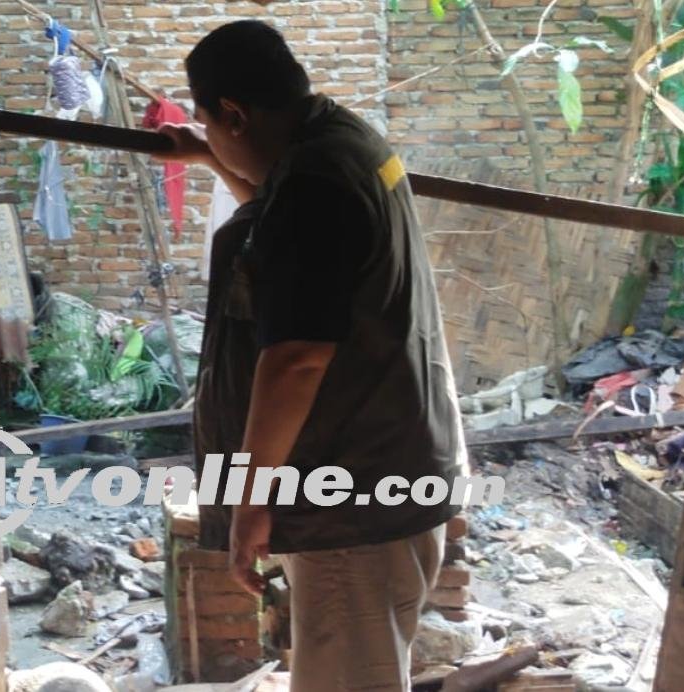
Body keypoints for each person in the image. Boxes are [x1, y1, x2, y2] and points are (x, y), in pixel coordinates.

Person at [157, 21, 471, 691]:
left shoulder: (313, 184)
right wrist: (213, 160)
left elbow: (297, 357)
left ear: (235, 115)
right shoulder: (344, 142)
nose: (208, 136)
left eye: (208, 124)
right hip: (389, 468)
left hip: (351, 500)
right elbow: (292, 244)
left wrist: (249, 501)